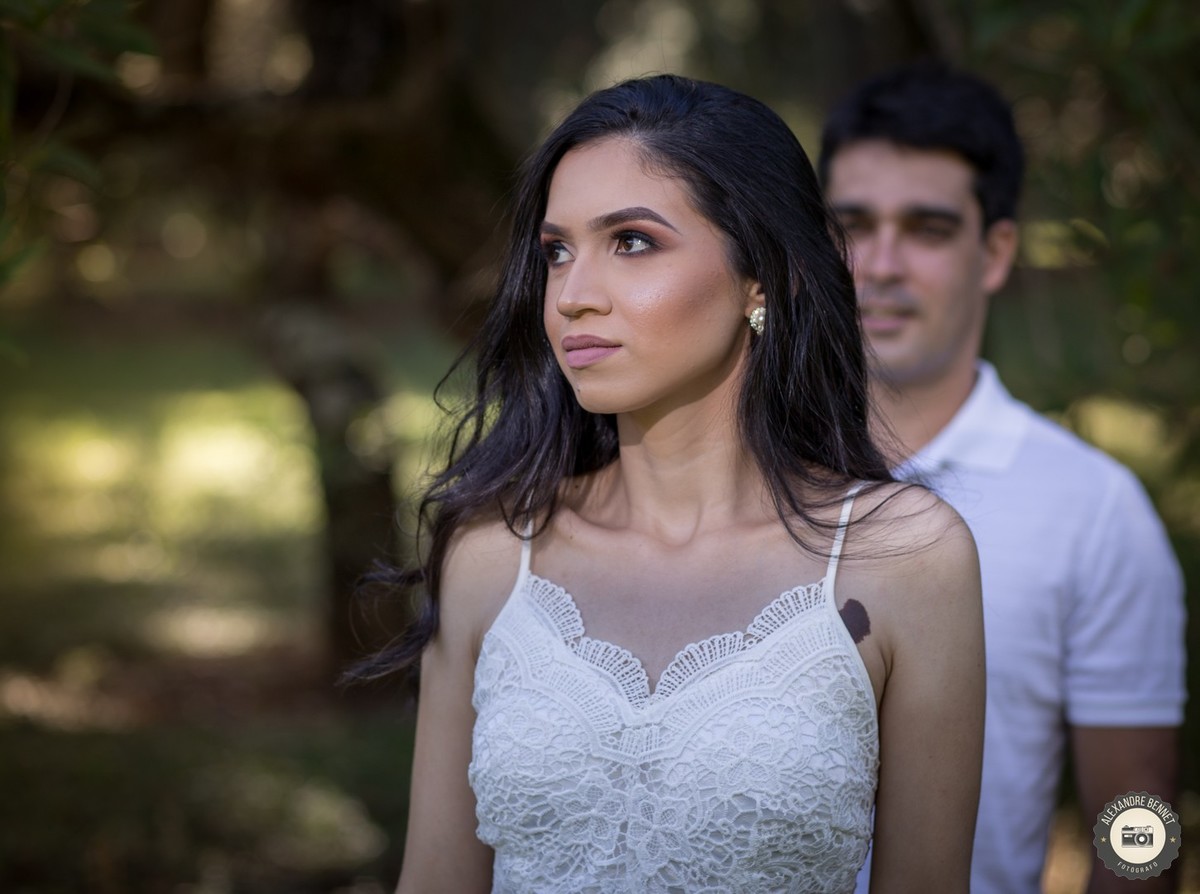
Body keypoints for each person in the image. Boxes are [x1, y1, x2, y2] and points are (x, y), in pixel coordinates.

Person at [367, 73, 985, 893]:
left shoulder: (907, 560)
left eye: (631, 241)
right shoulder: (491, 554)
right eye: (557, 251)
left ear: (763, 276)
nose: (574, 298)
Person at [818, 62, 1187, 894]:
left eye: (927, 228)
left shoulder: (1094, 510)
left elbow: (1143, 820)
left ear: (996, 252)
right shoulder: (728, 470)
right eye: (851, 223)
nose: (879, 263)